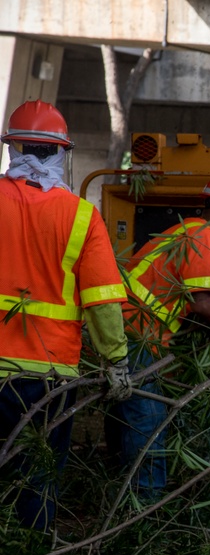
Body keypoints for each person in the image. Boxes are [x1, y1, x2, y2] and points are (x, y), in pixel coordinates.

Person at [0, 100, 132, 530]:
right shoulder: (81, 216)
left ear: (13, 148)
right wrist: (117, 364)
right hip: (48, 377)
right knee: (37, 477)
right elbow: (103, 302)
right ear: (61, 153)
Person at [105, 172, 210, 498]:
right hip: (138, 335)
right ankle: (144, 507)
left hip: (127, 331)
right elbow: (202, 303)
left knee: (128, 415)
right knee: (148, 420)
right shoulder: (204, 240)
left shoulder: (188, 231)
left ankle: (119, 489)